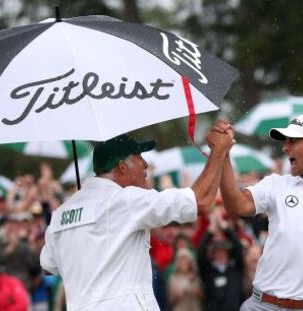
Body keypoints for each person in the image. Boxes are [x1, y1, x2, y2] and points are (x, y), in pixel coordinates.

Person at [40, 124, 234, 311]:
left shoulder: (59, 215)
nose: (146, 163)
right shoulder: (125, 200)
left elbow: (49, 266)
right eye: (139, 156)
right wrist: (218, 151)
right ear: (122, 167)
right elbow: (199, 202)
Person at [218, 114, 303, 310]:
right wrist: (223, 154)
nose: (285, 147)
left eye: (293, 141)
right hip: (264, 305)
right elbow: (236, 205)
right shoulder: (277, 184)